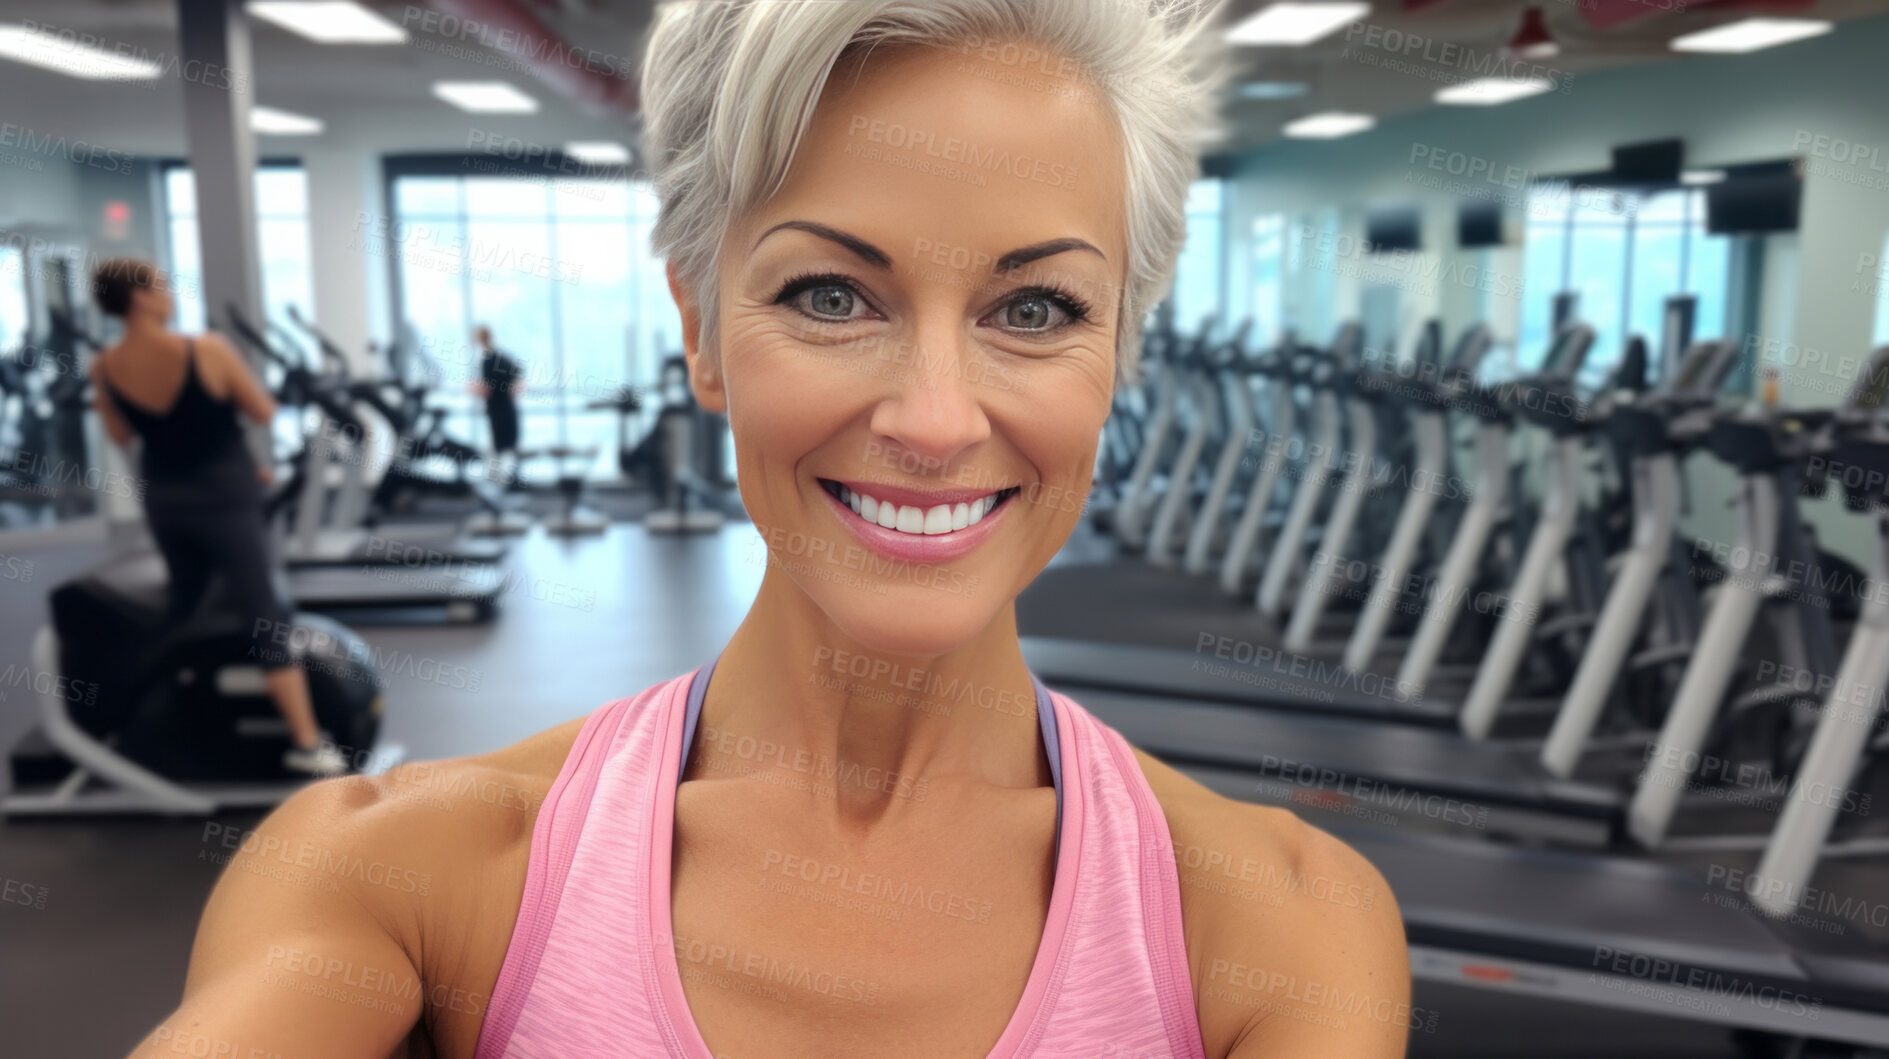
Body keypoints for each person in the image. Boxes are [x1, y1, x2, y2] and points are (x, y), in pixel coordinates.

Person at [132, 2, 1408, 1056]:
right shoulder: (404, 875)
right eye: (829, 293)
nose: (932, 419)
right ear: (699, 329)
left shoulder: (1280, 931)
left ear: (1117, 348)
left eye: (1034, 311)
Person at [89, 259, 347, 778]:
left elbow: (120, 437)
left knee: (186, 601)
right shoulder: (205, 348)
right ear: (139, 297)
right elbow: (263, 411)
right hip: (225, 498)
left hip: (165, 498)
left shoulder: (104, 365)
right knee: (262, 612)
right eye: (160, 285)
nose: (168, 294)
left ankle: (143, 718)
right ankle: (305, 741)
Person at [469, 325, 523, 486]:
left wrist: (476, 389)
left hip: (499, 410)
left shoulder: (490, 361)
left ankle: (503, 482)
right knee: (506, 446)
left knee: (502, 446)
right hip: (505, 408)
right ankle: (506, 481)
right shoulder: (499, 358)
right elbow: (517, 374)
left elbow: (486, 388)